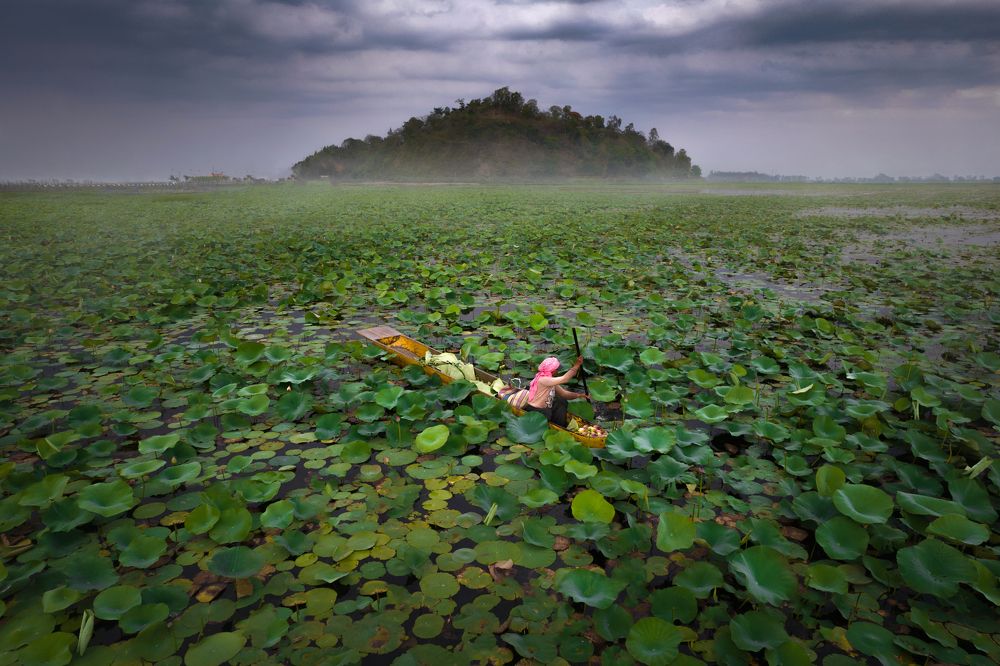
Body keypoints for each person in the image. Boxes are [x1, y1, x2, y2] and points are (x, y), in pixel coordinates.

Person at [498, 356, 588, 427]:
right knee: (547, 412)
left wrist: (579, 395)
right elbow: (565, 379)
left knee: (561, 401)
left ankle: (560, 425)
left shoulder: (550, 380)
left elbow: (564, 394)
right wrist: (576, 366)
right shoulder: (543, 379)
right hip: (536, 410)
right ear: (553, 371)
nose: (558, 371)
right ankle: (555, 426)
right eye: (557, 369)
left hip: (544, 407)